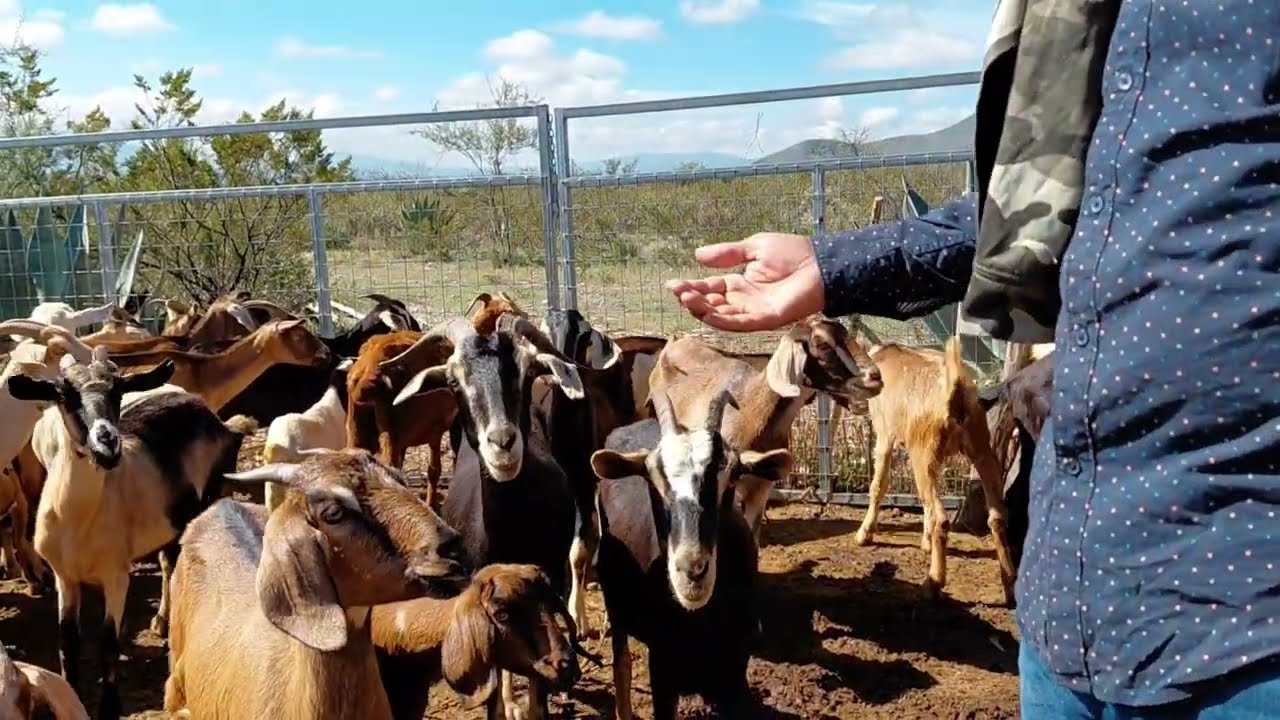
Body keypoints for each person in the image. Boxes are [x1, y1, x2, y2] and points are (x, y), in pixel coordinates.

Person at [667, 1, 1280, 718]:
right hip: (1065, 615)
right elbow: (1032, 205)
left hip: (1243, 622)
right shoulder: (1086, 23)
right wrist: (831, 266)